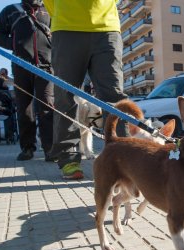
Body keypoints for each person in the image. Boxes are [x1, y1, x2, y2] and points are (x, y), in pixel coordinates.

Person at [43, 0, 129, 179]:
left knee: (113, 97)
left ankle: (124, 158)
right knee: (66, 96)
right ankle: (68, 159)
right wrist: (62, 14)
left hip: (107, 28)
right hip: (66, 27)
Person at [0, 0, 54, 161]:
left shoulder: (50, 8)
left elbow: (59, 32)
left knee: (47, 106)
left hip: (46, 66)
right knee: (24, 108)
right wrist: (13, 44)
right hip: (21, 65)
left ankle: (50, 149)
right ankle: (27, 148)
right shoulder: (11, 10)